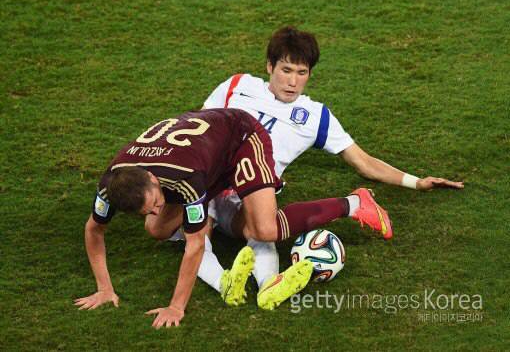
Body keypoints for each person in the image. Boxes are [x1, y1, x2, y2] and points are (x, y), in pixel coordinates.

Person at [192, 26, 464, 310]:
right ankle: (227, 283)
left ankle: (268, 287)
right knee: (191, 231)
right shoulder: (237, 86)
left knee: (259, 230)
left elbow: (363, 161)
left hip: (248, 195)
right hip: (209, 181)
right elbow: (198, 131)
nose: (293, 82)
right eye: (286, 70)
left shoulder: (315, 116)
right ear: (269, 66)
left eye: (302, 73)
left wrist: (416, 182)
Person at [74, 107, 391, 327]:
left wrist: (176, 306)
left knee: (264, 228)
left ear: (154, 180)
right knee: (157, 228)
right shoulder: (109, 186)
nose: (156, 208)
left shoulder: (183, 179)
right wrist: (104, 288)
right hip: (203, 152)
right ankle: (220, 214)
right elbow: (94, 231)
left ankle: (353, 203)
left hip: (240, 137)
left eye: (155, 201)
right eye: (146, 209)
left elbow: (195, 244)